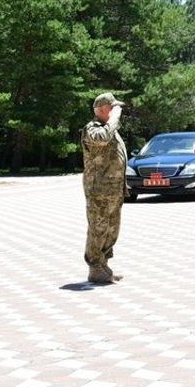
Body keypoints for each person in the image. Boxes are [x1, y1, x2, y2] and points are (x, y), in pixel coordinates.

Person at [81, 92, 128, 284]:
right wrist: (114, 119)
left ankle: (104, 266)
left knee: (111, 229)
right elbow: (101, 139)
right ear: (102, 109)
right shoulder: (92, 129)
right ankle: (94, 266)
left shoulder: (110, 129)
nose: (118, 110)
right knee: (98, 228)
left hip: (114, 190)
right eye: (113, 107)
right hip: (99, 190)